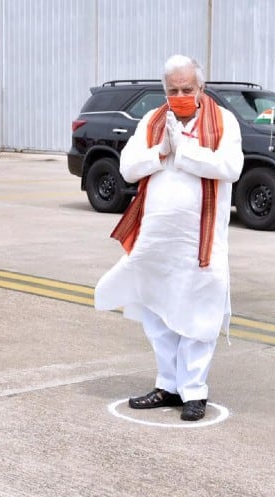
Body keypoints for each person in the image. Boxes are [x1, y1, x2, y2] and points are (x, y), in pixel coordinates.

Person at [93, 55, 242, 422]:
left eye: (186, 89)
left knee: (199, 313)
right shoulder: (152, 120)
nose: (179, 95)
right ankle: (168, 384)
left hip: (200, 243)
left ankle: (194, 391)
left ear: (201, 88)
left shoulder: (224, 121)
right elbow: (128, 167)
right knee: (157, 311)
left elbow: (230, 168)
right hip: (156, 239)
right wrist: (160, 151)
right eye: (172, 89)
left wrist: (185, 151)